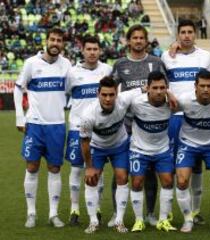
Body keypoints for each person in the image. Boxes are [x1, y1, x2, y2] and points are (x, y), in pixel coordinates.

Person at [14, 27, 72, 228]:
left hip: (57, 125)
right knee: (32, 167)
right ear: (46, 41)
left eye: (59, 40)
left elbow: (72, 90)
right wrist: (20, 117)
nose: (55, 43)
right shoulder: (31, 63)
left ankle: (53, 214)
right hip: (35, 125)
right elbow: (18, 87)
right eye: (53, 39)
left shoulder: (67, 65)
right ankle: (31, 213)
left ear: (63, 44)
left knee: (55, 168)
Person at [110, 24, 167, 227]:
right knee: (121, 170)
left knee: (150, 172)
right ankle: (117, 214)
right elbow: (112, 91)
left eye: (141, 38)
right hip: (125, 127)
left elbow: (165, 88)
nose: (138, 41)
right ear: (128, 41)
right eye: (134, 38)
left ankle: (150, 213)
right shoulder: (120, 64)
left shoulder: (156, 62)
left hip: (150, 126)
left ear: (146, 41)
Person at [162, 19, 210, 225]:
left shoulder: (206, 57)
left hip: (197, 118)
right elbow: (160, 83)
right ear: (177, 35)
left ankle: (196, 210)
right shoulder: (167, 56)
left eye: (190, 32)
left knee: (197, 164)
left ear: (195, 35)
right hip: (174, 117)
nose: (186, 35)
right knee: (175, 165)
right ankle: (175, 210)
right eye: (182, 32)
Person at [80, 76, 142, 234]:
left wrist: (170, 94)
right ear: (98, 94)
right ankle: (93, 221)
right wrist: (89, 167)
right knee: (91, 180)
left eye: (111, 95)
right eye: (104, 95)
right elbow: (85, 142)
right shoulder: (88, 115)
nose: (108, 99)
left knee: (122, 177)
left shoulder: (124, 99)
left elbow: (145, 88)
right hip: (97, 147)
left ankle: (119, 221)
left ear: (117, 94)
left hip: (119, 145)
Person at [174, 69, 210, 233]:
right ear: (195, 87)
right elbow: (167, 109)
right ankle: (188, 220)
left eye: (209, 86)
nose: (205, 89)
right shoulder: (185, 100)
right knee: (182, 181)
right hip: (188, 145)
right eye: (202, 86)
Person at [65, 35, 112, 226]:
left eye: (95, 49)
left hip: (101, 130)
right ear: (82, 50)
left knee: (98, 170)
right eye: (89, 49)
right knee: (76, 169)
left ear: (99, 51)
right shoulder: (72, 73)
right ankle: (74, 209)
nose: (92, 52)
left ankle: (98, 207)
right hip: (77, 128)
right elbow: (66, 94)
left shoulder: (107, 70)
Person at [128, 71, 176, 232]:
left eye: (163, 88)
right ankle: (139, 220)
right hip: (139, 150)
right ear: (147, 88)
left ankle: (163, 220)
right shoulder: (136, 103)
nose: (158, 91)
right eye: (154, 87)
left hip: (162, 149)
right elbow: (118, 102)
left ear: (167, 88)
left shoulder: (173, 104)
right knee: (136, 183)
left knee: (168, 181)